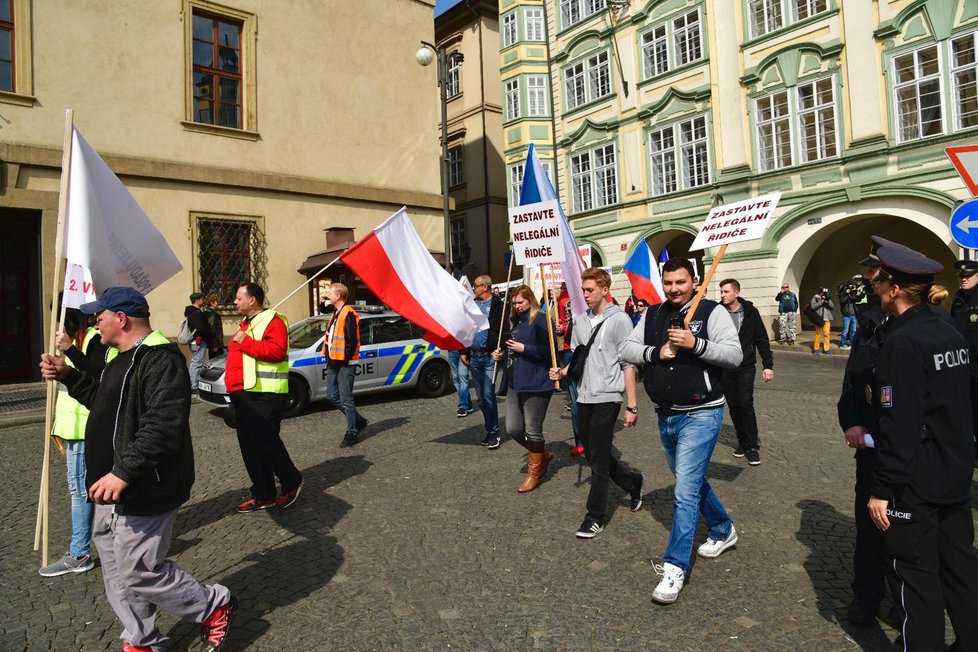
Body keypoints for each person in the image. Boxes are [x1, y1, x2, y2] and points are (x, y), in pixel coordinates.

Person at [38, 287, 235, 651]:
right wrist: (67, 375)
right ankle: (142, 638)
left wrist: (123, 472)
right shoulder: (121, 357)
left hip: (144, 484)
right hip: (108, 487)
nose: (95, 322)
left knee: (139, 569)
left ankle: (212, 605)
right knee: (115, 570)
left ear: (121, 318)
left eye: (99, 316)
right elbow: (103, 403)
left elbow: (164, 425)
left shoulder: (160, 359)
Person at [865, 238, 978, 650]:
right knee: (961, 568)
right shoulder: (946, 327)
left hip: (917, 477)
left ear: (894, 288)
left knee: (917, 575)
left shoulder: (902, 342)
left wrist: (881, 489)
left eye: (878, 280)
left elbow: (900, 423)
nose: (873, 285)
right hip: (955, 467)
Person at [621, 258, 742, 604]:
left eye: (680, 282)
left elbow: (734, 356)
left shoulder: (712, 311)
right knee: (692, 483)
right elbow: (626, 350)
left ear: (694, 281)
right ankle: (723, 528)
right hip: (666, 414)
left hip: (702, 413)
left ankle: (674, 568)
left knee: (684, 491)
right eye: (669, 282)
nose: (674, 288)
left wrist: (695, 344)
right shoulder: (653, 313)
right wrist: (655, 352)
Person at [550, 268, 643, 539]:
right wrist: (562, 372)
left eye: (590, 290)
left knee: (599, 460)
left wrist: (632, 405)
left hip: (608, 397)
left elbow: (628, 364)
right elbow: (578, 358)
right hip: (583, 395)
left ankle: (595, 516)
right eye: (583, 290)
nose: (585, 295)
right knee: (591, 452)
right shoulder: (580, 322)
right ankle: (632, 481)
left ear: (605, 289)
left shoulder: (620, 320)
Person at [836, 245, 896, 626]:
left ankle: (907, 600)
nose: (871, 282)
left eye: (876, 275)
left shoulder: (932, 324)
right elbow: (854, 379)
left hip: (913, 444)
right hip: (873, 442)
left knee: (907, 529)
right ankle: (867, 596)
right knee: (868, 525)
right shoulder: (870, 320)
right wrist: (851, 420)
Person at [38, 308, 115, 578]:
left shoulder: (95, 338)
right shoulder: (78, 340)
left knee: (82, 491)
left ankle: (79, 552)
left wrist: (70, 351)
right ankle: (103, 542)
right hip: (71, 427)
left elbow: (97, 374)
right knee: (83, 489)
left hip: (85, 427)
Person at [228, 282, 304, 511]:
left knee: (265, 442)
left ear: (252, 300)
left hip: (265, 394)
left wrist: (246, 342)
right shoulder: (247, 323)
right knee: (250, 447)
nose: (235, 302)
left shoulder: (274, 320)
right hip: (245, 393)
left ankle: (291, 481)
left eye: (239, 298)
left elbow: (277, 351)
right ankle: (263, 493)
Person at [492, 285, 555, 492]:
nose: (517, 306)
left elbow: (551, 351)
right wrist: (501, 356)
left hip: (536, 383)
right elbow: (511, 350)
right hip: (514, 382)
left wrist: (524, 349)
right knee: (513, 429)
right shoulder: (515, 321)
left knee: (532, 430)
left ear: (531, 301)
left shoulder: (541, 320)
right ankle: (542, 455)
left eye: (521, 302)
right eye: (514, 303)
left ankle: (534, 473)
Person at [718, 279, 773, 466]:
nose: (722, 295)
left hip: (746, 365)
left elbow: (762, 339)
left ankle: (752, 446)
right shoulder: (718, 313)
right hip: (725, 367)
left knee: (745, 403)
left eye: (726, 291)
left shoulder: (750, 312)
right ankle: (742, 441)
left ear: (736, 293)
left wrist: (768, 365)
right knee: (733, 406)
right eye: (721, 292)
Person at [461, 275, 506, 449]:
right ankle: (490, 429)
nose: (474, 288)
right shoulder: (472, 304)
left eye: (476, 285)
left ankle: (494, 431)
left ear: (485, 287)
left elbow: (504, 330)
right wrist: (463, 350)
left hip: (489, 356)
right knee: (480, 399)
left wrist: (500, 348)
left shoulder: (498, 305)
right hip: (473, 355)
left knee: (488, 395)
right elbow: (466, 327)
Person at [323, 283, 368, 447]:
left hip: (345, 363)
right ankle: (358, 420)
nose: (329, 295)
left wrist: (345, 359)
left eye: (330, 293)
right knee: (331, 396)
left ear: (338, 296)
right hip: (334, 360)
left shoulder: (348, 313)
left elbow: (351, 340)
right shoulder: (336, 312)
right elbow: (325, 309)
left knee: (346, 398)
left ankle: (352, 432)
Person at [950, 258, 978, 464]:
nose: (964, 279)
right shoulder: (959, 298)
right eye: (961, 276)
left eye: (968, 276)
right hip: (963, 363)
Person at [555, 282, 584, 456]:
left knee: (588, 398)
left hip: (586, 349)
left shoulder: (585, 292)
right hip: (568, 350)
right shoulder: (562, 296)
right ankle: (580, 441)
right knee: (575, 401)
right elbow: (563, 324)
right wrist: (560, 330)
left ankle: (594, 438)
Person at [184, 292, 212, 391]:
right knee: (197, 363)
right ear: (196, 300)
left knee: (194, 362)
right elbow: (201, 328)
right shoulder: (196, 313)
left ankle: (191, 383)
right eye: (202, 299)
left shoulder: (190, 312)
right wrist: (209, 332)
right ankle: (194, 386)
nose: (203, 300)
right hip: (199, 341)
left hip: (194, 341)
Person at [837, 276, 860, 349]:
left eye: (851, 287)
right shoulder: (843, 294)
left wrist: (855, 294)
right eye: (849, 287)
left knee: (853, 331)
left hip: (853, 315)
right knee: (845, 331)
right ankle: (843, 344)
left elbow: (854, 299)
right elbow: (842, 301)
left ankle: (852, 344)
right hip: (846, 315)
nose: (850, 289)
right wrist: (846, 294)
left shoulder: (851, 294)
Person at [810, 288, 834, 355]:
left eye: (825, 293)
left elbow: (832, 306)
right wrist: (821, 302)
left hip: (827, 319)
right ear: (819, 292)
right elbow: (813, 307)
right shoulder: (815, 297)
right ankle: (816, 349)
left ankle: (826, 349)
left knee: (827, 334)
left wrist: (827, 301)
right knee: (818, 334)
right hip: (819, 319)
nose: (824, 294)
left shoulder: (827, 297)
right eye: (822, 293)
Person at [202, 293, 225, 358]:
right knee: (216, 361)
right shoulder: (211, 314)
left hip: (216, 342)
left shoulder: (212, 313)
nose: (218, 304)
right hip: (215, 343)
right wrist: (215, 345)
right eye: (216, 302)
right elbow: (212, 329)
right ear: (211, 303)